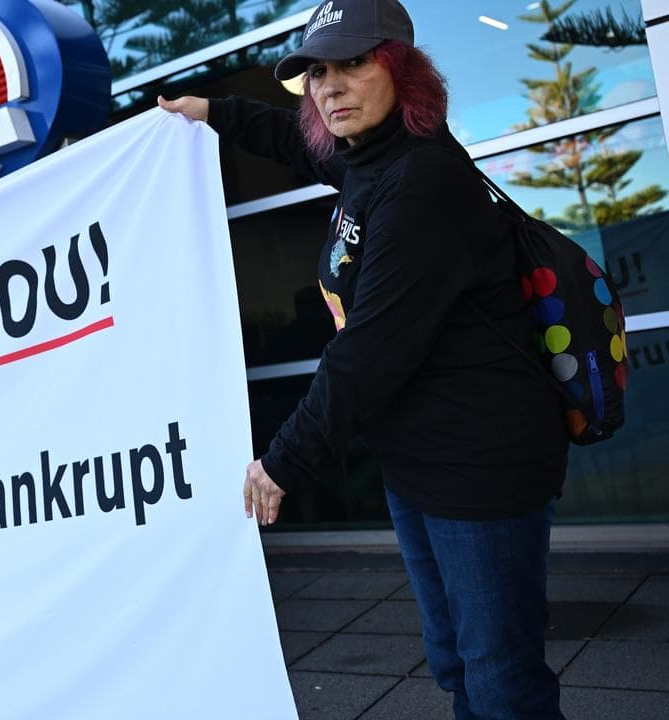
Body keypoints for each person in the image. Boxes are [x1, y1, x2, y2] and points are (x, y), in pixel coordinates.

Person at [160, 2, 569, 718]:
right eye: (318, 72)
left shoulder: (420, 183)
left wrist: (282, 461)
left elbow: (369, 351)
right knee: (455, 662)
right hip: (418, 462)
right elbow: (297, 145)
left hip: (481, 465)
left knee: (503, 680)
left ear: (401, 70)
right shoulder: (369, 163)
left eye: (353, 63)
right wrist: (211, 110)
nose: (331, 87)